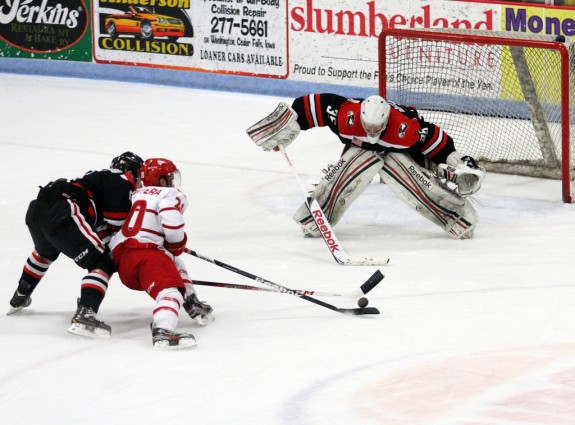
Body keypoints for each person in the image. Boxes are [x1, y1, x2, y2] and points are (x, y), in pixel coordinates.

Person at [247, 94, 486, 239]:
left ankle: (457, 216)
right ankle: (316, 218)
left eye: (377, 127)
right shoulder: (346, 116)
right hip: (361, 151)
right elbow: (319, 105)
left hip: (398, 152)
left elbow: (433, 137)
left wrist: (455, 159)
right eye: (368, 127)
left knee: (415, 182)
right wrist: (292, 121)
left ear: (386, 120)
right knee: (346, 172)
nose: (372, 131)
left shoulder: (404, 129)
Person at [8, 151, 144, 337]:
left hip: (37, 210)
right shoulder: (122, 180)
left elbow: (100, 225)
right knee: (101, 262)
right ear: (132, 171)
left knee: (44, 253)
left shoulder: (99, 176)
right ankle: (86, 313)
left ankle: (21, 295)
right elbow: (117, 224)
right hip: (63, 210)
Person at [109, 158, 214, 350]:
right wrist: (176, 244)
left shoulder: (134, 193)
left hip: (124, 259)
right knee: (170, 291)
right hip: (146, 256)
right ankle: (163, 331)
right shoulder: (168, 193)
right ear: (163, 181)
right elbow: (173, 227)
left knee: (175, 263)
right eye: (170, 177)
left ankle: (192, 302)